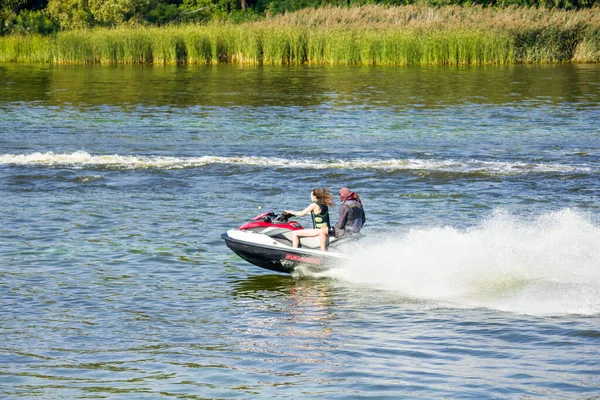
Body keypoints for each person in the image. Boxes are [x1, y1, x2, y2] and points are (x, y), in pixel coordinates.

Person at [285, 188, 334, 252]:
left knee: (295, 233)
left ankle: (294, 252)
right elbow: (317, 214)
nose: (310, 196)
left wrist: (290, 212)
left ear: (315, 196)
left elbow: (301, 214)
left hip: (318, 230)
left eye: (311, 195)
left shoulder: (314, 205)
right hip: (326, 230)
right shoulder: (324, 204)